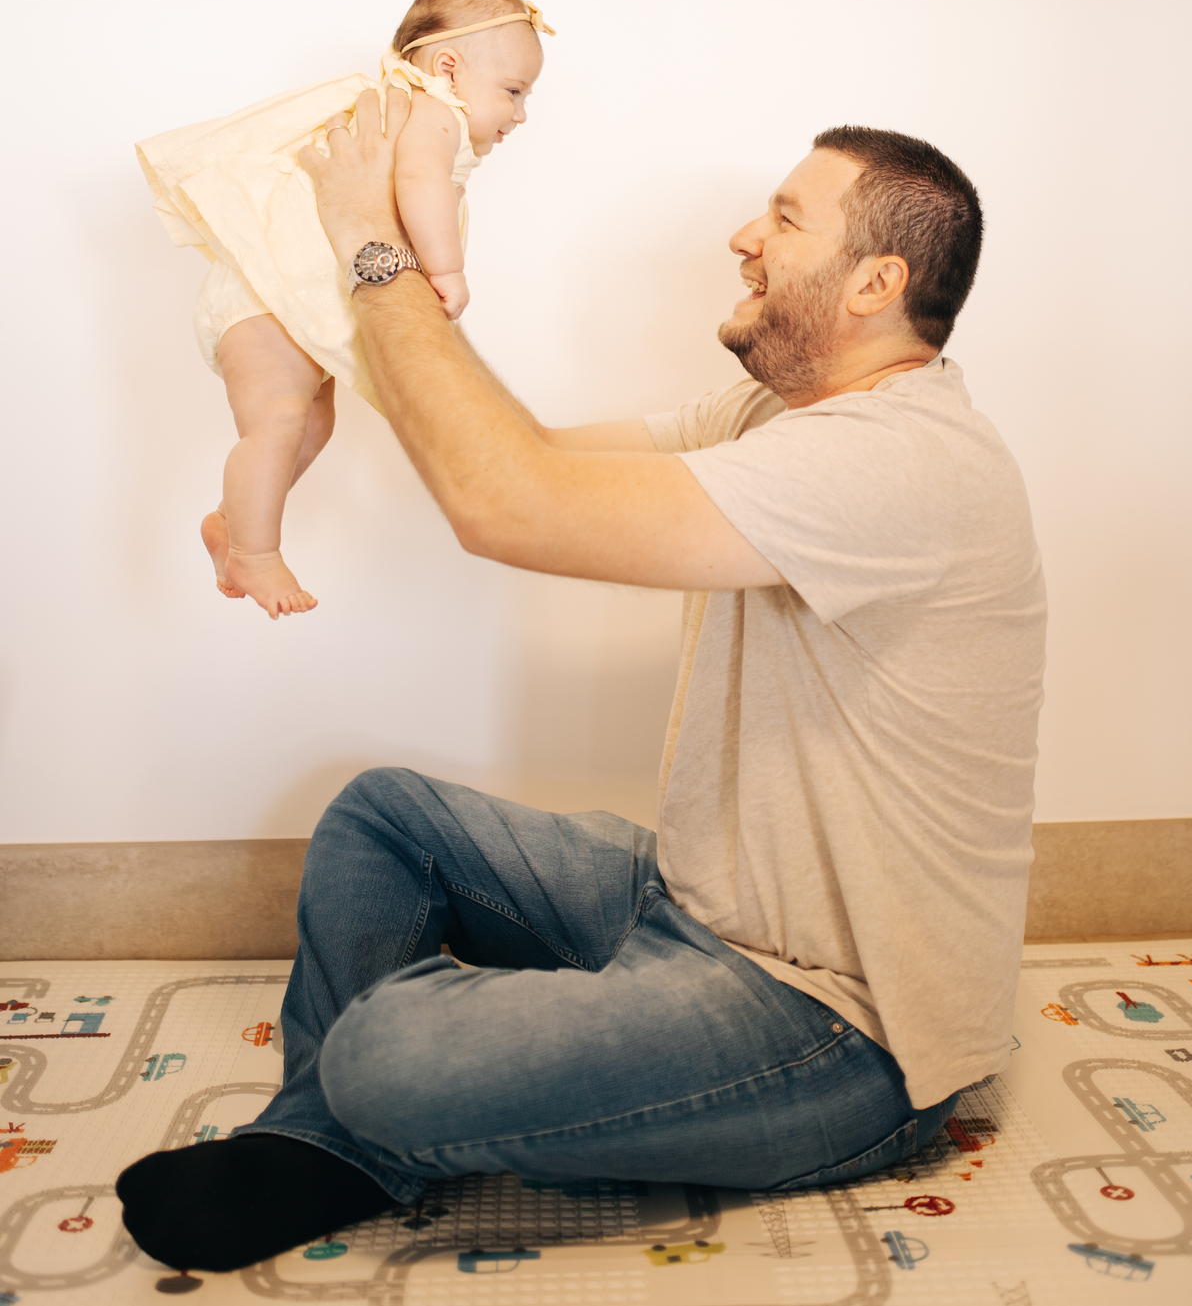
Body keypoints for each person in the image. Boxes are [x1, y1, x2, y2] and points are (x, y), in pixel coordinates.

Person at [116, 114, 1046, 1276]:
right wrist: (315, 360)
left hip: (844, 1027)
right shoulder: (777, 418)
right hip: (704, 905)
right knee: (381, 816)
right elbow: (530, 452)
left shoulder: (900, 460)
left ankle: (342, 1121)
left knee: (383, 1054)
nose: (743, 235)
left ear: (876, 282)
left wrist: (368, 241)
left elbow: (508, 504)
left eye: (785, 217)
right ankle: (330, 1147)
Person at [135, 0, 552, 619]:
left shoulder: (398, 104)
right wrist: (447, 270)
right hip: (267, 298)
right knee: (280, 419)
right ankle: (255, 550)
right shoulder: (432, 111)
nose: (521, 114)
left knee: (310, 423)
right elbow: (420, 182)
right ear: (447, 67)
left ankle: (231, 523)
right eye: (514, 91)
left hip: (282, 301)